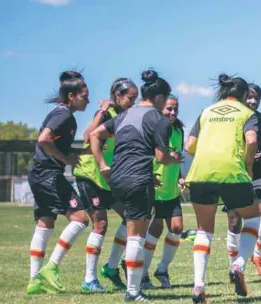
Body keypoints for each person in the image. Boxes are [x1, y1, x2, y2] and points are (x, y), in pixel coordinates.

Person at [90, 69, 181, 301]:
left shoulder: (125, 114)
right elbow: (161, 157)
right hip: (138, 178)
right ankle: (133, 291)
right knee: (137, 237)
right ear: (160, 97)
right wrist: (174, 159)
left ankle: (117, 272)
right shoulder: (158, 119)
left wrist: (102, 165)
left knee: (131, 230)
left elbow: (94, 135)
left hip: (118, 179)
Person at [184, 74, 260, 303]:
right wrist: (248, 165)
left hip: (200, 172)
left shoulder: (206, 112)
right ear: (245, 95)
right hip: (232, 172)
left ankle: (198, 286)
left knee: (203, 230)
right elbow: (252, 141)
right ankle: (238, 265)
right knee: (254, 219)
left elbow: (189, 146)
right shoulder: (247, 114)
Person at [26, 71, 90, 295]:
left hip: (39, 173)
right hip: (49, 175)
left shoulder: (62, 114)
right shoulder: (64, 115)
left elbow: (54, 143)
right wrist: (65, 159)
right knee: (81, 219)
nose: (88, 100)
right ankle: (51, 267)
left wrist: (77, 152)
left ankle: (34, 281)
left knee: (45, 223)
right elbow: (43, 139)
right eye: (85, 95)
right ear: (71, 96)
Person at [74, 77, 138, 292]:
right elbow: (86, 136)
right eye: (130, 98)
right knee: (100, 225)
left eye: (135, 99)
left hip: (110, 179)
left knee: (131, 216)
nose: (133, 102)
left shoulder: (125, 117)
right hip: (92, 175)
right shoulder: (106, 114)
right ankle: (89, 279)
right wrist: (101, 110)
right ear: (117, 96)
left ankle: (111, 267)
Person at [224, 83, 261, 279]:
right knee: (234, 221)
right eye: (250, 97)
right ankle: (234, 269)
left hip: (256, 175)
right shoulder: (231, 117)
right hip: (234, 174)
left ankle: (258, 256)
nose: (253, 101)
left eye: (257, 98)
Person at [140, 94, 185, 289]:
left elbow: (177, 156)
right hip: (155, 188)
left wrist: (179, 176)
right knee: (155, 229)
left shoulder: (178, 130)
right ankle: (142, 274)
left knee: (176, 228)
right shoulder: (153, 128)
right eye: (169, 109)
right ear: (160, 109)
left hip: (171, 189)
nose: (173, 112)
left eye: (175, 109)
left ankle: (162, 269)